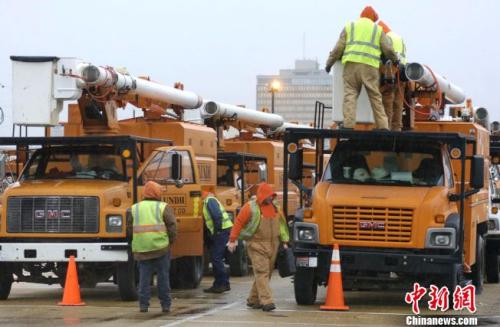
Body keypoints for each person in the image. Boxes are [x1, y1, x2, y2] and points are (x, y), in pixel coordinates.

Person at [325, 6, 398, 130]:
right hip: (370, 67)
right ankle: (383, 126)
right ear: (373, 18)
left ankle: (348, 125)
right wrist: (396, 60)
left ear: (362, 16)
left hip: (351, 67)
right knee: (375, 96)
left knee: (350, 95)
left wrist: (329, 64)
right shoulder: (377, 29)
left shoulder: (350, 27)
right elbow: (388, 49)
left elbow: (338, 49)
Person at [227, 183, 289, 312]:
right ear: (262, 196)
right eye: (268, 196)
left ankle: (253, 299)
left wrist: (284, 240)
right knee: (262, 272)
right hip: (256, 244)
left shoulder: (276, 207)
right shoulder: (250, 207)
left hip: (274, 244)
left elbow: (282, 225)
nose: (270, 199)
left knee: (266, 273)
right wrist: (232, 240)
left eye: (271, 196)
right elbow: (238, 222)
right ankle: (267, 301)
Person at [130, 181, 177, 313]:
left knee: (144, 278)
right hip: (161, 248)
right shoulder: (163, 207)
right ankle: (165, 305)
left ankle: (143, 305)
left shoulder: (135, 208)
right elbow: (172, 225)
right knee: (163, 277)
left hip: (142, 249)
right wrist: (170, 242)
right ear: (157, 193)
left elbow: (129, 228)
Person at [378, 20, 407, 131]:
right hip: (402, 72)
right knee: (398, 103)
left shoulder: (387, 37)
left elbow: (385, 54)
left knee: (387, 100)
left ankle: (386, 127)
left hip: (391, 70)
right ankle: (397, 128)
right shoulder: (399, 38)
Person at [202, 191, 233, 293]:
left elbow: (217, 216)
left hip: (222, 231)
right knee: (216, 258)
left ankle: (223, 283)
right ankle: (218, 284)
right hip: (223, 230)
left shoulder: (209, 201)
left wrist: (217, 232)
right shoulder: (210, 201)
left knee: (216, 258)